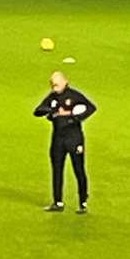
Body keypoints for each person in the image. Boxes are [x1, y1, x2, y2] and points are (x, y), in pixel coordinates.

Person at [33, 71, 95, 213]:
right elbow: (37, 111)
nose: (54, 87)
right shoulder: (52, 98)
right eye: (52, 85)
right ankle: (57, 202)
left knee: (78, 169)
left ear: (65, 82)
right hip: (58, 139)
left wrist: (73, 116)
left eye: (56, 84)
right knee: (57, 169)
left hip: (74, 138)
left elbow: (91, 108)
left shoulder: (74, 95)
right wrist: (52, 110)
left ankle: (83, 202)